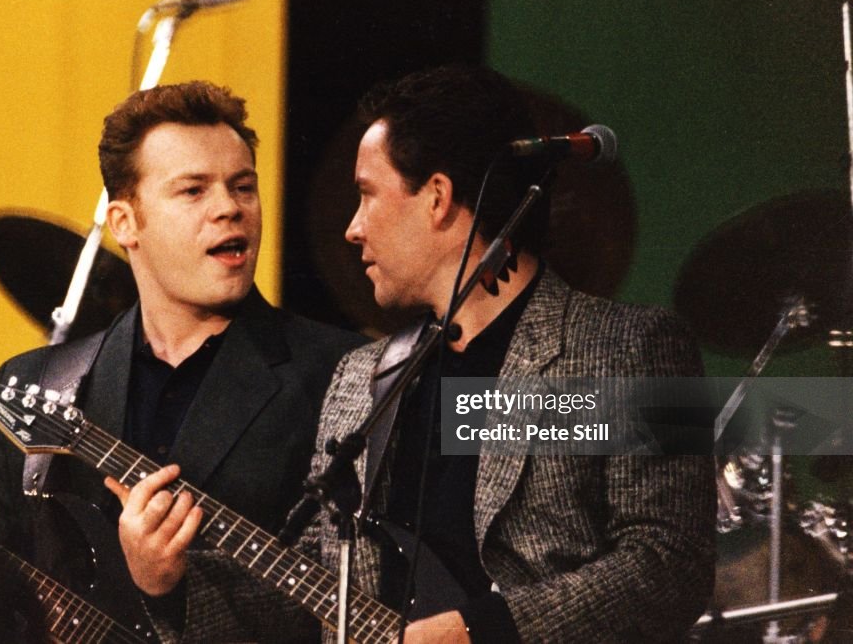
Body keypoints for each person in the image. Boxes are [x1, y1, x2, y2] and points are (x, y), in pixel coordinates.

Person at [177, 65, 716, 642]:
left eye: (366, 195)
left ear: (436, 197)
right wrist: (170, 580)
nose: (352, 229)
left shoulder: (629, 347)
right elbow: (313, 586)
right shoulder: (360, 378)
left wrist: (480, 633)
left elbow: (670, 562)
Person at [0, 81, 363, 640]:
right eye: (193, 191)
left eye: (243, 187)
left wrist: (174, 589)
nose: (229, 208)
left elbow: (359, 605)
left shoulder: (345, 375)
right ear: (124, 223)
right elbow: (2, 621)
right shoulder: (32, 382)